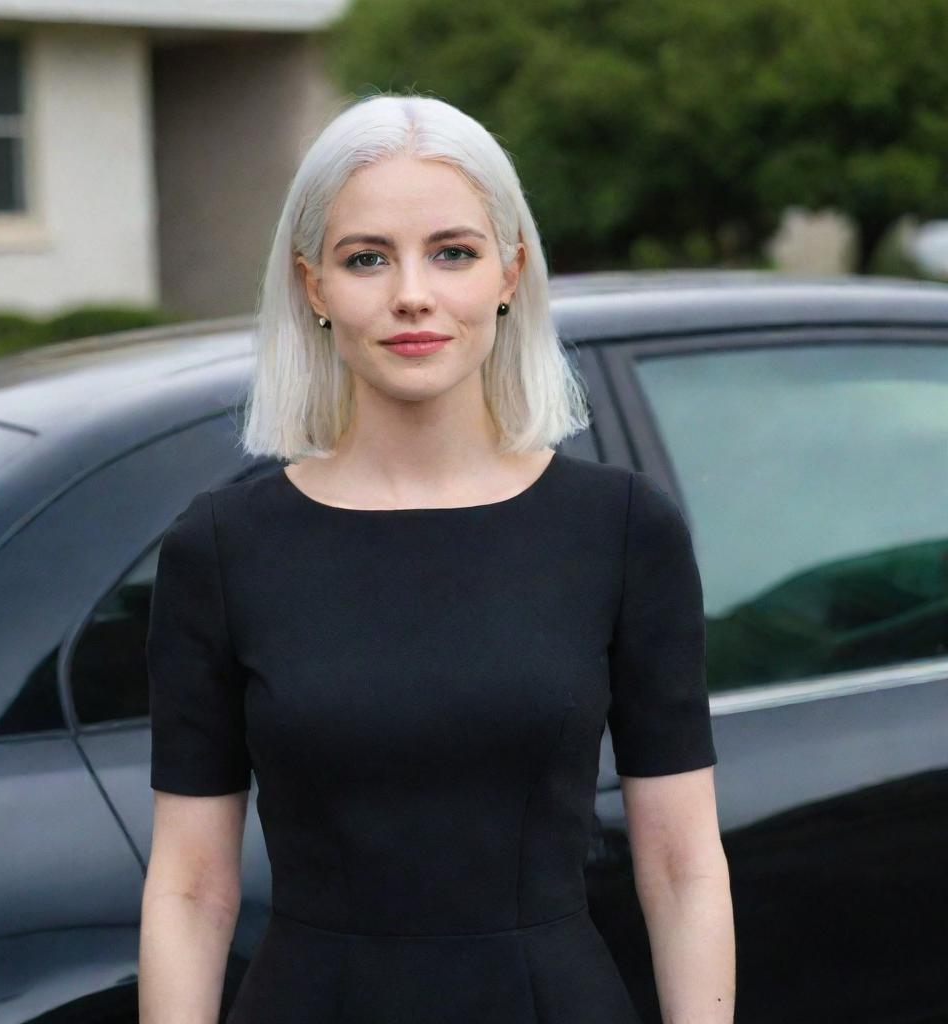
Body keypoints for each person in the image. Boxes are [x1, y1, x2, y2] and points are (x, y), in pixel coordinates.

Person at [138, 91, 735, 1024]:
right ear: (313, 288)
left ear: (510, 272)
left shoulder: (620, 530)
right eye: (366, 258)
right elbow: (189, 885)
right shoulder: (221, 549)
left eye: (451, 252)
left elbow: (683, 863)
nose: (411, 292)